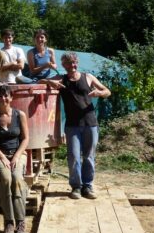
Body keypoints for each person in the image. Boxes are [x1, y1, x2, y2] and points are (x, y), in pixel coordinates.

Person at [38, 52, 111, 200]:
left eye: (74, 63)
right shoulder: (61, 79)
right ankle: (76, 187)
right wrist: (49, 82)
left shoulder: (88, 77)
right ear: (64, 65)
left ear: (77, 63)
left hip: (90, 123)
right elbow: (40, 82)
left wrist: (99, 93)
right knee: (74, 157)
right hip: (72, 125)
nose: (72, 66)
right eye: (69, 63)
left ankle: (88, 186)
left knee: (89, 156)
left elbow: (107, 91)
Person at [0, 85, 29, 233]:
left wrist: (16, 157)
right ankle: (9, 223)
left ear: (11, 98)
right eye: (0, 96)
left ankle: (21, 223)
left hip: (18, 154)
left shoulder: (20, 115)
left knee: (17, 179)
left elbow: (25, 139)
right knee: (6, 179)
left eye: (6, 96)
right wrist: (3, 158)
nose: (3, 99)